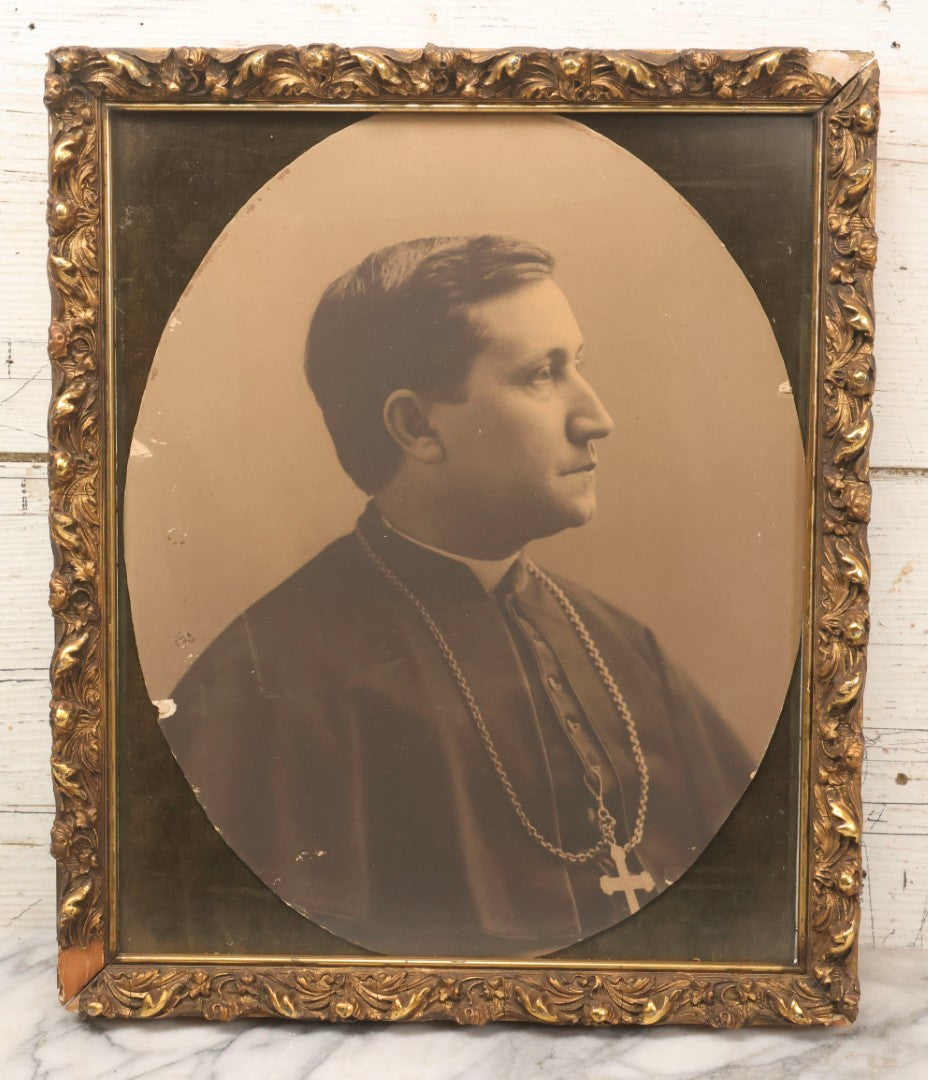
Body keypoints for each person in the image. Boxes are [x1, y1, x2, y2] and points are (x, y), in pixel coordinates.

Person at [161, 235, 753, 958]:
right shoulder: (266, 684)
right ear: (416, 426)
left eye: (579, 365)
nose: (596, 417)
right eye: (542, 374)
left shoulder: (624, 648)